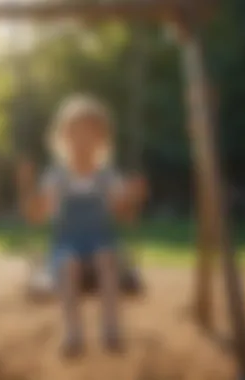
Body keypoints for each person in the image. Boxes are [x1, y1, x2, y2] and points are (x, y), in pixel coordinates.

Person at [17, 95, 147, 357]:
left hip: (102, 242)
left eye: (90, 133)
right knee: (68, 264)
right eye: (75, 133)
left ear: (102, 139)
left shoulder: (108, 175)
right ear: (62, 138)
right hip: (67, 244)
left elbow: (123, 217)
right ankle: (73, 332)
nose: (82, 140)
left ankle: (111, 330)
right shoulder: (56, 176)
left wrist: (132, 199)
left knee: (107, 258)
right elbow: (37, 217)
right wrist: (28, 189)